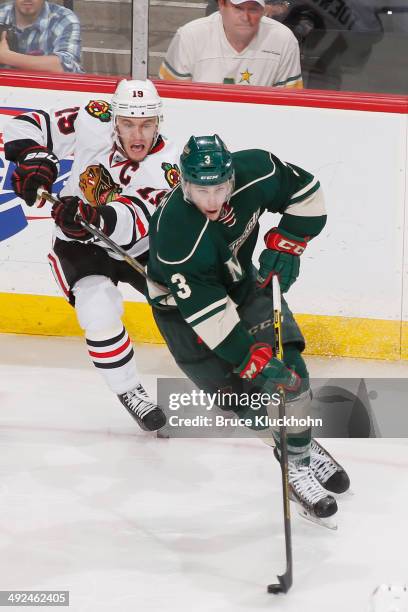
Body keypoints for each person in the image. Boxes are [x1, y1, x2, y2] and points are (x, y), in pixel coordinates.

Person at [146, 134, 350, 524]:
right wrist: (249, 359)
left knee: (292, 371)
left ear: (232, 178)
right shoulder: (176, 234)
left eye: (219, 189)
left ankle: (297, 462)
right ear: (183, 183)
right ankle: (288, 436)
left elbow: (305, 192)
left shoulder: (256, 169)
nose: (211, 201)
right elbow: (208, 313)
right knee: (243, 397)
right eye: (199, 190)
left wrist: (290, 243)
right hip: (183, 312)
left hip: (241, 283)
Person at [3, 79, 181, 432]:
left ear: (159, 122)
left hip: (142, 246)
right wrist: (33, 156)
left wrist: (92, 217)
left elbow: (136, 220)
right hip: (80, 244)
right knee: (97, 310)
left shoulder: (168, 164)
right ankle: (130, 390)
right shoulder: (92, 119)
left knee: (187, 309)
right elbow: (25, 124)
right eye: (128, 123)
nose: (138, 134)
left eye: (146, 124)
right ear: (114, 120)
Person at [159, 0, 302, 88]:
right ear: (221, 4)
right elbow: (172, 103)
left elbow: (290, 107)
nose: (246, 17)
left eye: (253, 9)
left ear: (263, 9)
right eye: (238, 8)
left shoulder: (284, 40)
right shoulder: (189, 36)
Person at [0, 0, 82, 73]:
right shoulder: (2, 13)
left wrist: (7, 57)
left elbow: (66, 66)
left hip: (50, 88)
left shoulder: (64, 18)